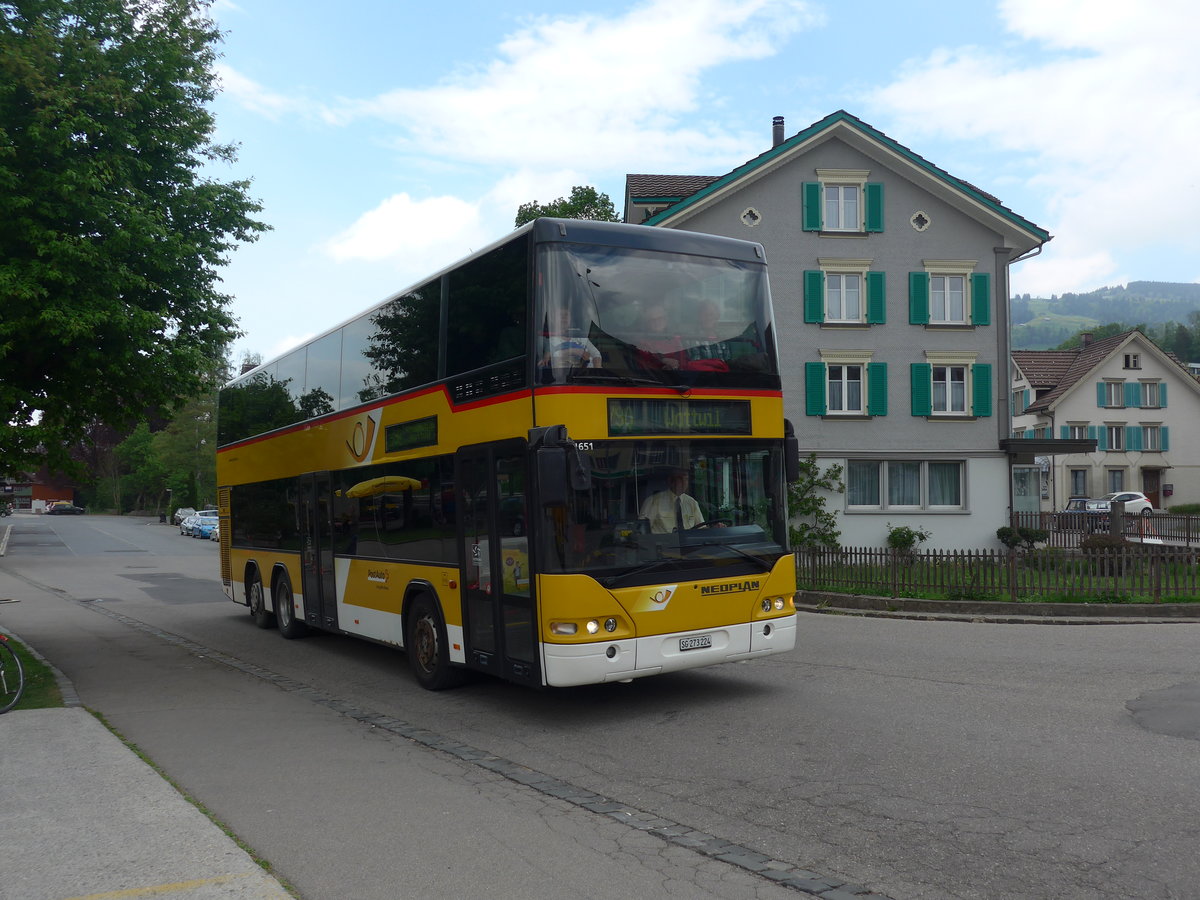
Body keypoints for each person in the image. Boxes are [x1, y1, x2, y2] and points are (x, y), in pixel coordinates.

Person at [639, 469, 705, 533]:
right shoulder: (653, 501)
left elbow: (702, 528)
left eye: (686, 479)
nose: (684, 482)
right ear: (670, 481)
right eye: (680, 478)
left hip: (690, 543)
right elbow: (641, 529)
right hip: (664, 543)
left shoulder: (692, 502)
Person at [637, 302, 684, 370]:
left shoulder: (676, 339)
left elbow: (683, 364)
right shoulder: (642, 342)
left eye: (660, 318)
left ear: (666, 319)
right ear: (647, 323)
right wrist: (661, 361)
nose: (657, 322)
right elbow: (643, 364)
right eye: (652, 320)